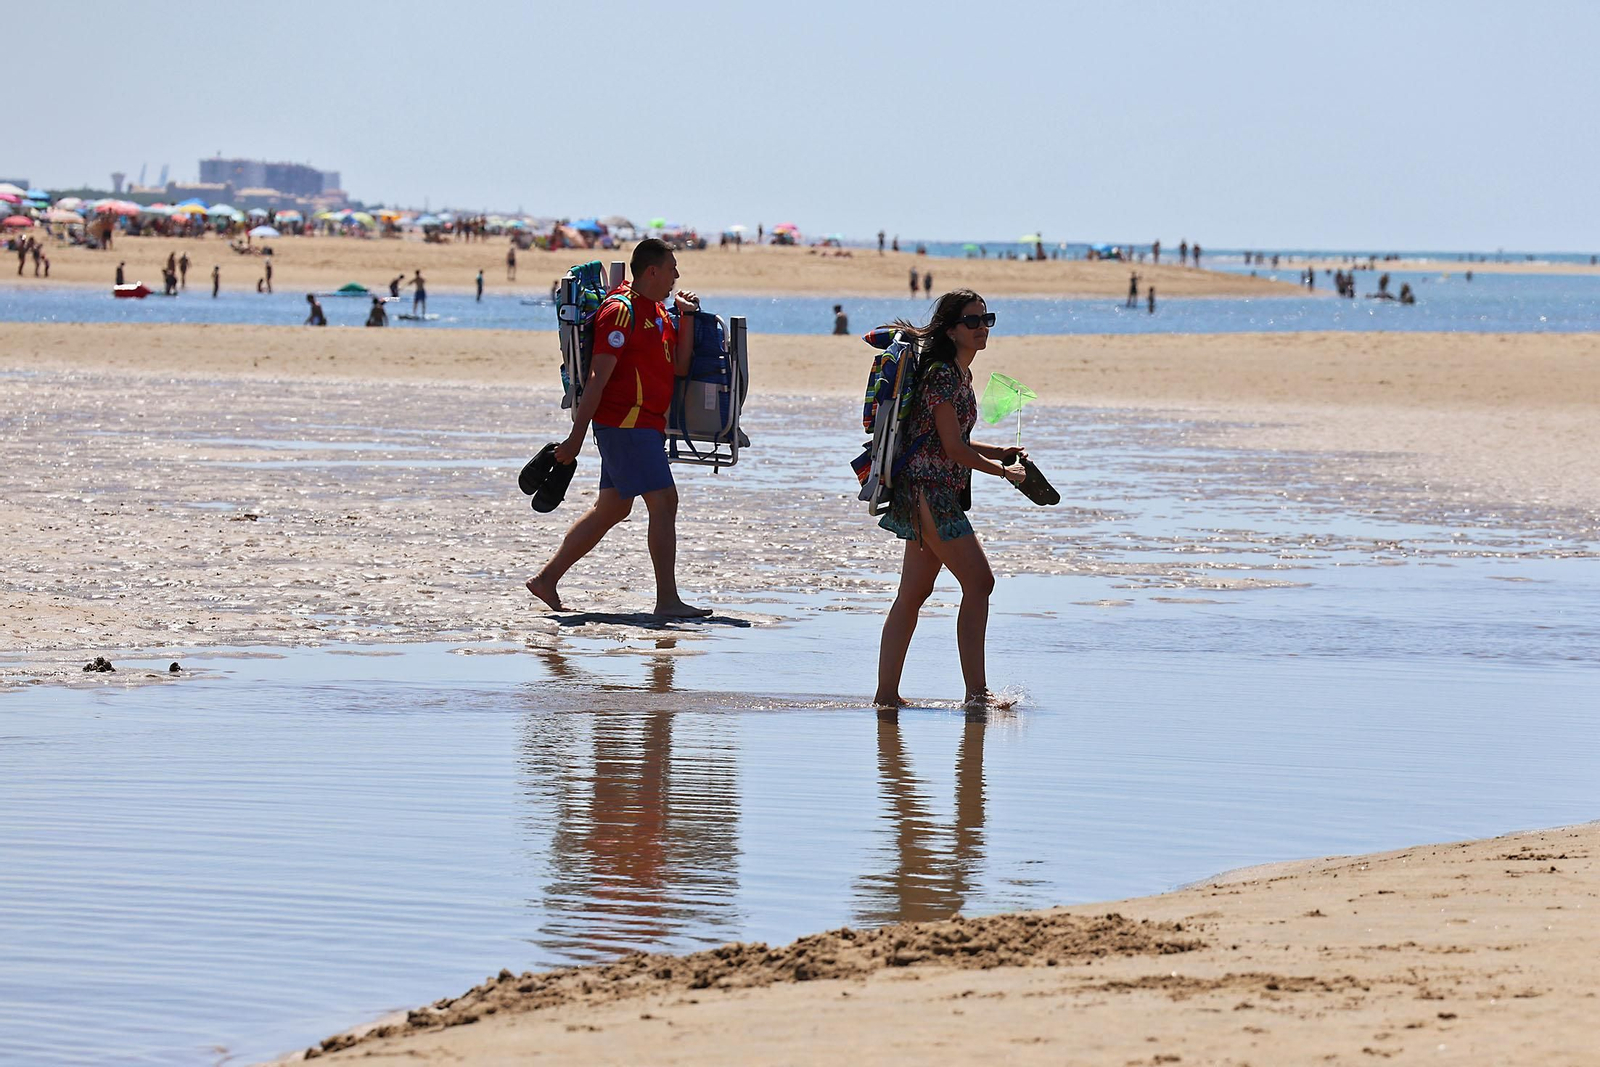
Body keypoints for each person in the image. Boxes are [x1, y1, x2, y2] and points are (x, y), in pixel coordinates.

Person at [524, 239, 711, 619]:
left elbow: (679, 366)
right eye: (672, 268)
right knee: (664, 502)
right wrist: (575, 437)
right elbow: (597, 377)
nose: (677, 276)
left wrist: (687, 316)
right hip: (626, 422)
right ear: (652, 270)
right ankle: (668, 600)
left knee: (612, 508)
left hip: (645, 425)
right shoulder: (620, 310)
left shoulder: (658, 311)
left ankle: (546, 580)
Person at [873, 290, 1026, 711]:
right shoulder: (942, 374)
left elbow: (955, 440)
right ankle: (976, 694)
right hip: (929, 492)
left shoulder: (961, 374)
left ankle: (886, 698)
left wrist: (999, 452)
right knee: (980, 582)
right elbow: (953, 450)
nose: (981, 329)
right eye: (972, 321)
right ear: (951, 328)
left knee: (914, 593)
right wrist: (1004, 474)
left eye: (986, 320)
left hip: (932, 489)